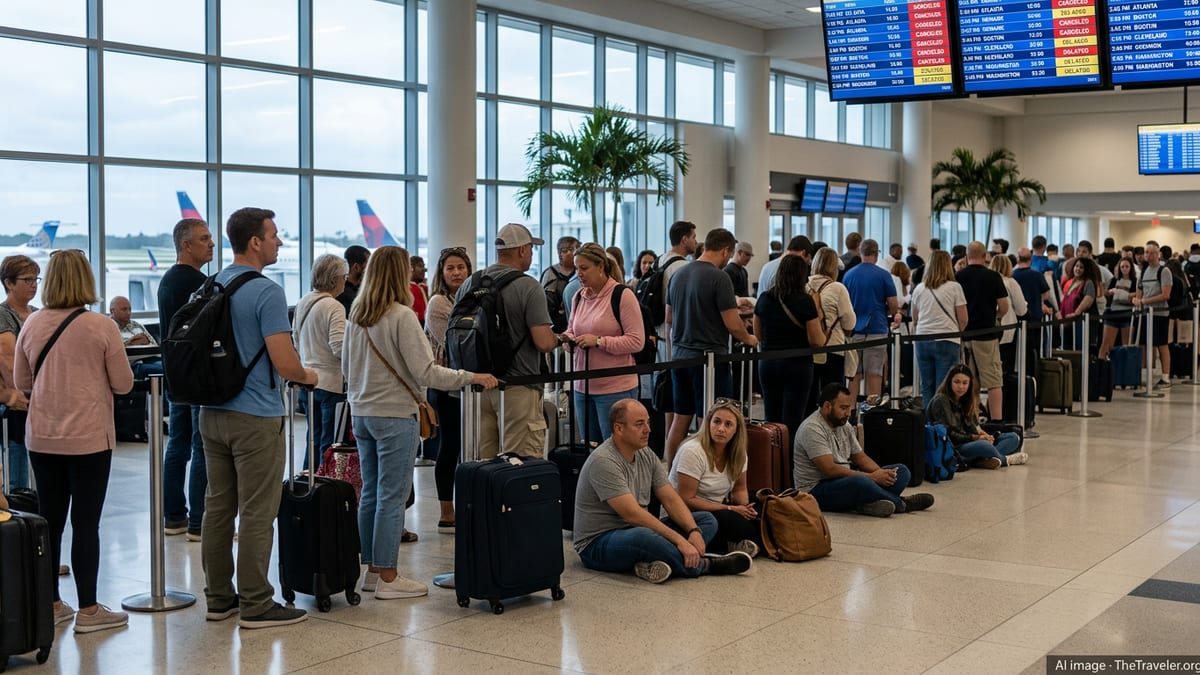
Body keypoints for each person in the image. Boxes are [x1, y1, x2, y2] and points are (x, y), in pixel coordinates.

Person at [343, 245, 497, 600]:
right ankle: (389, 575)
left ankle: (370, 571)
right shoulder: (401, 315)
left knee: (371, 493)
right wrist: (469, 376)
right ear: (399, 273)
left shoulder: (357, 314)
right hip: (396, 414)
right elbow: (426, 371)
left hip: (362, 412)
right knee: (392, 497)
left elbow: (347, 369)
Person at [199, 207, 318, 629]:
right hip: (255, 416)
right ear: (255, 241)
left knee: (218, 507)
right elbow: (285, 363)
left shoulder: (212, 284)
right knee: (256, 511)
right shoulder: (265, 292)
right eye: (274, 235)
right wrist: (310, 375)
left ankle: (218, 598)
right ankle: (256, 602)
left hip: (211, 412)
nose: (279, 242)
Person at [13, 249, 134, 633]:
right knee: (86, 523)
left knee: (49, 522)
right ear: (86, 280)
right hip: (88, 439)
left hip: (43, 436)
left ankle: (51, 604)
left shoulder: (31, 324)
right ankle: (89, 610)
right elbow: (124, 383)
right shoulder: (101, 326)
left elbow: (22, 383)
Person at [573, 399, 753, 584]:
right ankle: (704, 565)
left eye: (648, 422)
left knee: (705, 520)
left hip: (636, 529)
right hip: (597, 543)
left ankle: (653, 562)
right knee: (643, 536)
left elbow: (671, 498)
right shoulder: (604, 461)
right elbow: (633, 515)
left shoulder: (645, 453)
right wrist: (680, 541)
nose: (648, 429)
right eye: (639, 424)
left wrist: (693, 531)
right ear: (619, 429)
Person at [454, 223, 559, 458]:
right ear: (522, 250)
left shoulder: (469, 284)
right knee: (519, 464)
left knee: (483, 465)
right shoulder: (528, 286)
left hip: (478, 386)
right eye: (531, 249)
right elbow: (543, 342)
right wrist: (558, 340)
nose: (531, 254)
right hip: (519, 386)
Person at [664, 228, 757, 466]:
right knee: (711, 420)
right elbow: (732, 323)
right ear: (725, 250)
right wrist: (749, 339)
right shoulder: (720, 277)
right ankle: (705, 473)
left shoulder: (678, 274)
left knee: (680, 419)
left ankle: (671, 473)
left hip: (680, 356)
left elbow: (669, 317)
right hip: (709, 361)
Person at [793, 384, 934, 518]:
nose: (848, 413)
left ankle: (866, 503)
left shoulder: (843, 423)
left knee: (901, 472)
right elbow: (829, 470)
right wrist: (872, 478)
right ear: (827, 406)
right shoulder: (812, 428)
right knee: (860, 481)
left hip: (845, 482)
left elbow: (860, 457)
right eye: (843, 408)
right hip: (817, 490)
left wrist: (880, 474)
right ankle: (902, 503)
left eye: (849, 407)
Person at [157, 218, 215, 540]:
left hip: (174, 374)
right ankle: (199, 521)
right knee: (201, 445)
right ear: (186, 245)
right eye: (204, 239)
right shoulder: (199, 283)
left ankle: (174, 516)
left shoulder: (167, 281)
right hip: (195, 375)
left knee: (177, 445)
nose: (211, 244)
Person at [563, 243, 644, 442]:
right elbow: (571, 329)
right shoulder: (578, 297)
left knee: (618, 450)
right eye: (576, 269)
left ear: (600, 267)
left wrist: (599, 341)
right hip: (583, 388)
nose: (579, 274)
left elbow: (636, 341)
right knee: (590, 450)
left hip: (615, 387)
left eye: (584, 268)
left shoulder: (622, 295)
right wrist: (567, 340)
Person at [668, 399, 760, 557]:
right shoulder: (692, 451)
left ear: (736, 430)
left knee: (762, 503)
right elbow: (686, 499)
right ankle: (745, 542)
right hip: (689, 512)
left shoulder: (738, 453)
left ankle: (739, 541)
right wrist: (731, 509)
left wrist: (745, 509)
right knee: (730, 521)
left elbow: (740, 489)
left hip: (719, 506)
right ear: (708, 423)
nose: (721, 429)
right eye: (716, 422)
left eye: (728, 424)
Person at [427, 246, 473, 533]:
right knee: (451, 445)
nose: (456, 273)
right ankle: (446, 509)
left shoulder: (470, 298)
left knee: (468, 446)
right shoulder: (438, 303)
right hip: (445, 384)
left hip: (467, 381)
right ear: (441, 274)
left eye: (461, 267)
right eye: (450, 268)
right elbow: (454, 343)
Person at [754, 255, 825, 438]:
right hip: (797, 365)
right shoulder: (805, 301)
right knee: (793, 419)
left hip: (768, 363)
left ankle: (772, 462)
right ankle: (790, 464)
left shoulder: (764, 298)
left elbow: (758, 335)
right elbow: (817, 340)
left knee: (771, 418)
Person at [292, 254, 348, 469]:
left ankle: (310, 483)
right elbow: (338, 346)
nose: (345, 280)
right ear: (334, 279)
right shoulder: (333, 306)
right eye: (343, 276)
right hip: (331, 383)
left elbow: (295, 338)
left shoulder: (304, 300)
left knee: (311, 439)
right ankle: (327, 487)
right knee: (328, 442)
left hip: (308, 379)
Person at [927, 365, 1027, 469]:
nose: (961, 387)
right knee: (984, 446)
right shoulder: (941, 400)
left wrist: (985, 435)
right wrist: (976, 438)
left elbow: (975, 427)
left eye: (965, 383)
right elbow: (950, 434)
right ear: (949, 382)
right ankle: (1005, 460)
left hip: (970, 441)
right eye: (957, 382)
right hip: (954, 446)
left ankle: (980, 460)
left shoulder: (965, 400)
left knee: (1013, 437)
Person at [956, 242, 1009, 421]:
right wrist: (995, 317)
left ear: (966, 255)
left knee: (968, 381)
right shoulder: (993, 276)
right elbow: (1004, 306)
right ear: (985, 255)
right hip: (986, 334)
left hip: (964, 334)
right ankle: (996, 420)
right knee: (994, 380)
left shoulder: (958, 276)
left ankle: (971, 417)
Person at [0, 254, 40, 492]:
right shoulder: (4, 314)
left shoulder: (36, 312)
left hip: (37, 394)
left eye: (36, 279)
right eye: (27, 280)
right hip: (17, 398)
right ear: (9, 283)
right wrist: (18, 393)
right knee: (17, 461)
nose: (33, 285)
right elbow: (7, 358)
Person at [910, 251, 968, 409]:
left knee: (927, 386)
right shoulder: (955, 287)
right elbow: (963, 319)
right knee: (945, 387)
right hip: (947, 339)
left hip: (922, 340)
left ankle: (930, 426)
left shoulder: (919, 289)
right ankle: (943, 424)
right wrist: (957, 333)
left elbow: (915, 319)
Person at [842, 239, 899, 402]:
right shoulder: (883, 275)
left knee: (853, 374)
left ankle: (850, 415)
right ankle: (872, 414)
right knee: (874, 374)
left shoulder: (848, 275)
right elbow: (893, 305)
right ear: (876, 253)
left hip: (853, 331)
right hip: (876, 329)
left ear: (860, 252)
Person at [806, 247, 856, 403]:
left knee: (810, 396)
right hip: (833, 348)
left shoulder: (805, 285)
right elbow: (849, 322)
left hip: (808, 348)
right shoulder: (837, 288)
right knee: (833, 398)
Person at [1134, 244, 1174, 389]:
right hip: (1145, 313)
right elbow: (1140, 291)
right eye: (1146, 253)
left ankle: (1165, 377)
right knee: (1146, 344)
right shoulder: (1143, 272)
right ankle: (1147, 376)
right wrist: (1137, 300)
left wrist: (1145, 301)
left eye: (1152, 253)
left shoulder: (1164, 271)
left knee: (1162, 345)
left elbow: (1165, 295)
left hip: (1160, 314)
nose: (1149, 256)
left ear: (1158, 254)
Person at [1012, 247, 1053, 372]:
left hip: (1016, 318)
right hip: (1034, 317)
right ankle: (1032, 377)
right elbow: (1046, 294)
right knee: (1033, 350)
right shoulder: (1037, 275)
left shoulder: (1013, 275)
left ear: (1018, 259)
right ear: (1030, 259)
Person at [990, 254, 1028, 374]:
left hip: (988, 329)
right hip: (1007, 329)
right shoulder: (1011, 283)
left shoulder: (987, 280)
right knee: (1005, 365)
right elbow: (1021, 309)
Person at [108, 296, 163, 378]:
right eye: (124, 309)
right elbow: (113, 351)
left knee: (175, 366)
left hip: (151, 358)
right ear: (112, 311)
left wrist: (147, 341)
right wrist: (131, 341)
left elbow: (154, 344)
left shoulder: (137, 325)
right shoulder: (108, 327)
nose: (128, 313)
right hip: (131, 364)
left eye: (130, 309)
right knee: (165, 370)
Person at [1059, 257, 1102, 351]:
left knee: (1081, 347)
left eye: (1081, 267)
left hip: (1082, 321)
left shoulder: (1088, 282)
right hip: (1069, 321)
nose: (1077, 269)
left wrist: (1077, 312)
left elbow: (1088, 299)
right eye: (1076, 266)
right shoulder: (1071, 282)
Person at [1099, 257, 1138, 360]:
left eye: (1126, 266)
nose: (1124, 269)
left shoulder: (1135, 281)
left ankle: (1126, 368)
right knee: (1106, 343)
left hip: (1127, 313)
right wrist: (1110, 292)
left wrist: (1126, 295)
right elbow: (1106, 292)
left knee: (1127, 344)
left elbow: (1138, 294)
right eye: (1122, 267)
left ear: (1131, 268)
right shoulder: (1115, 279)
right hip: (1113, 311)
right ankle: (1102, 367)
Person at [541, 236, 579, 333]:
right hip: (555, 326)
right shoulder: (550, 274)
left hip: (578, 324)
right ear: (560, 253)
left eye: (577, 249)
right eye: (570, 250)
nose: (575, 253)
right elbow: (546, 304)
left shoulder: (581, 272)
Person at [336, 245, 370, 313]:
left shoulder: (365, 287)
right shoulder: (341, 293)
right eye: (369, 265)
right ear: (356, 267)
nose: (371, 269)